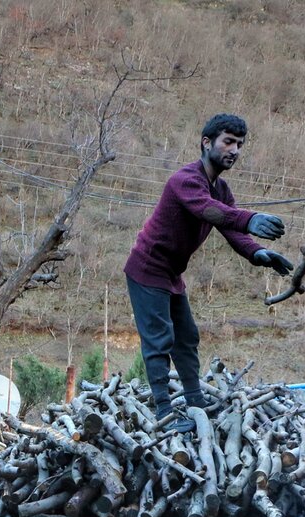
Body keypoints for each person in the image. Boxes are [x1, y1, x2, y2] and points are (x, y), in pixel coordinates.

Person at [123, 113, 293, 432]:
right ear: (207, 143)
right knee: (160, 339)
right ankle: (164, 413)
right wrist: (249, 218)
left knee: (186, 338)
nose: (235, 150)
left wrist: (258, 252)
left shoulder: (222, 188)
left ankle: (195, 402)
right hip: (147, 269)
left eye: (240, 144)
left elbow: (231, 228)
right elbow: (211, 211)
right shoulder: (185, 180)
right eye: (228, 142)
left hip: (172, 273)